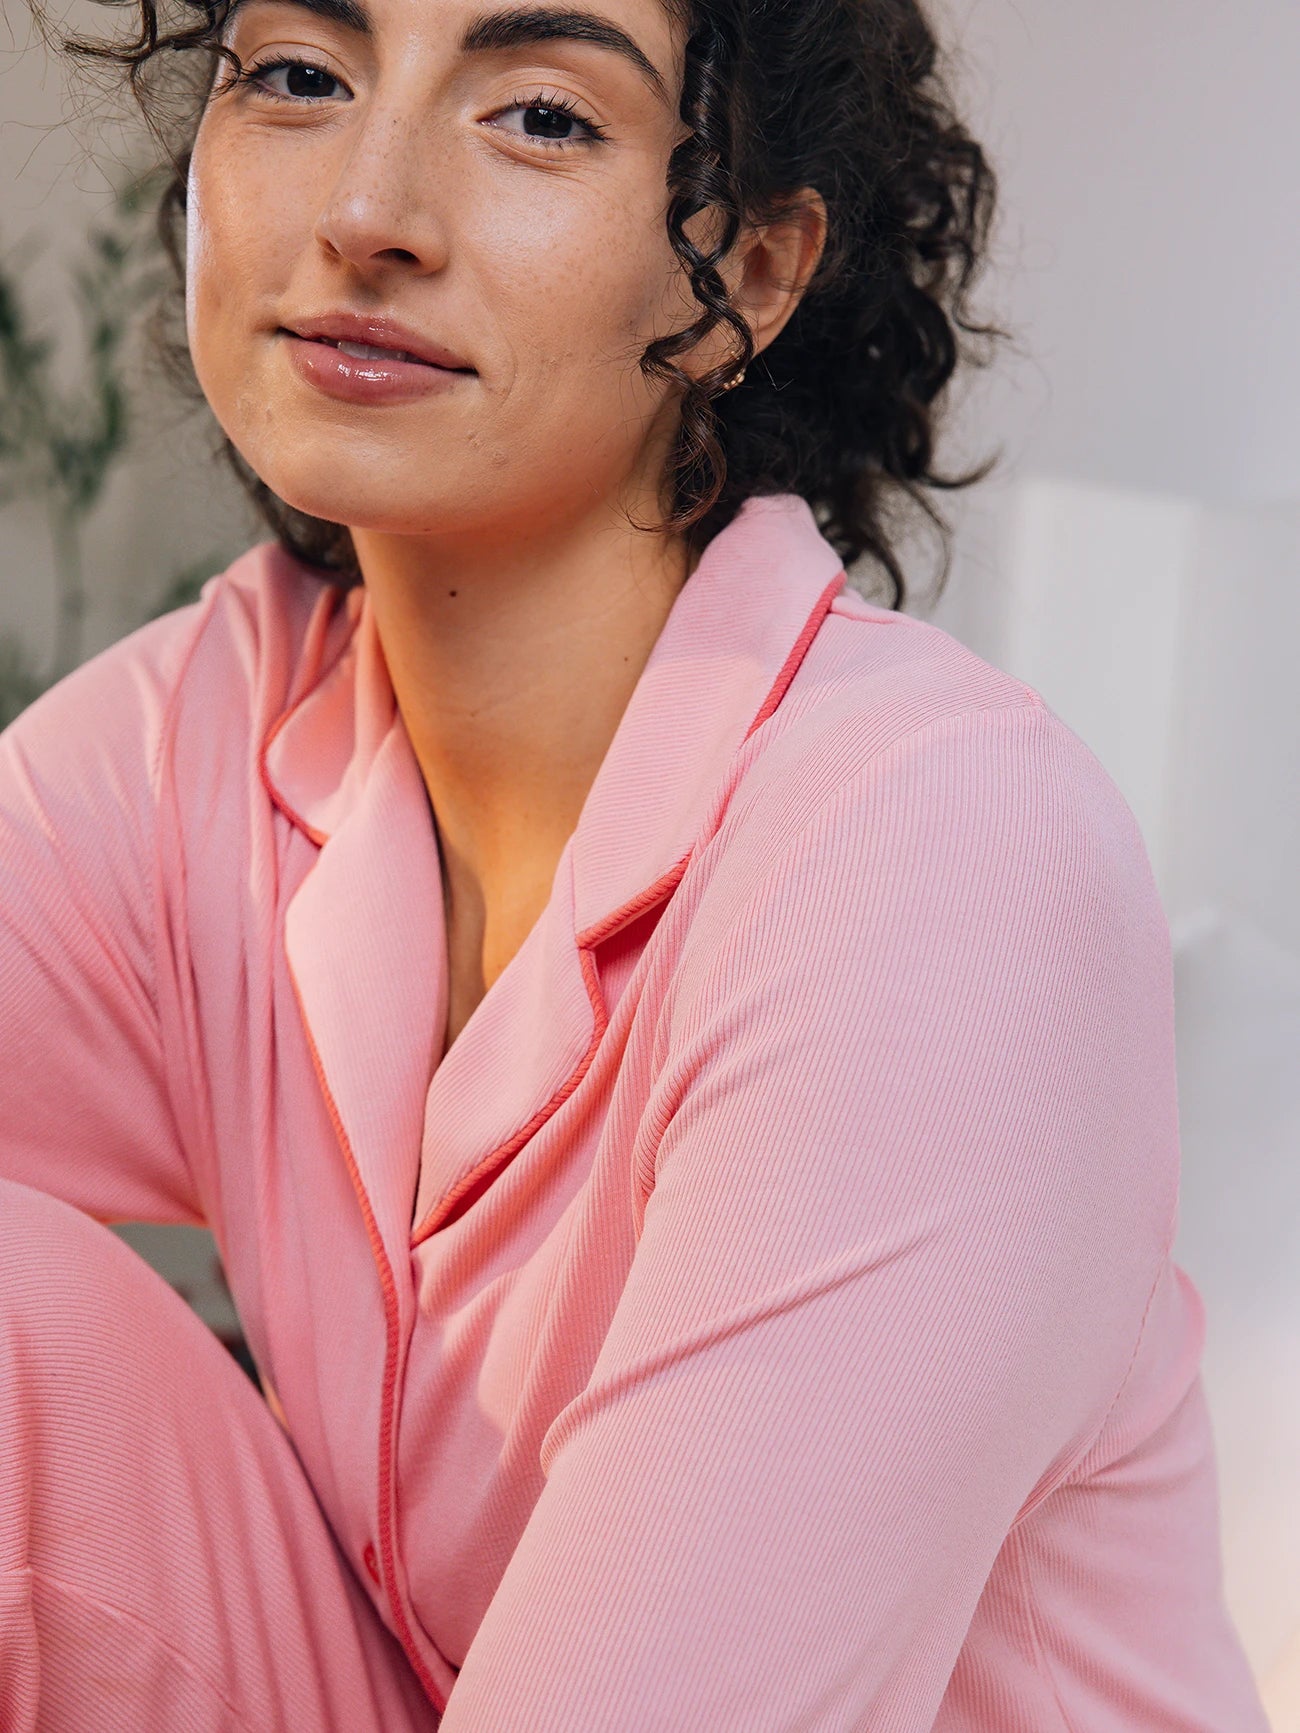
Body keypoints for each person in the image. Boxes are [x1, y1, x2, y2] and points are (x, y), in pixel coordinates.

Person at [0, 0, 1271, 1726]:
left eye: (540, 116)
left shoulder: (935, 855)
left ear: (748, 271)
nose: (368, 206)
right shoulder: (214, 736)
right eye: (299, 75)